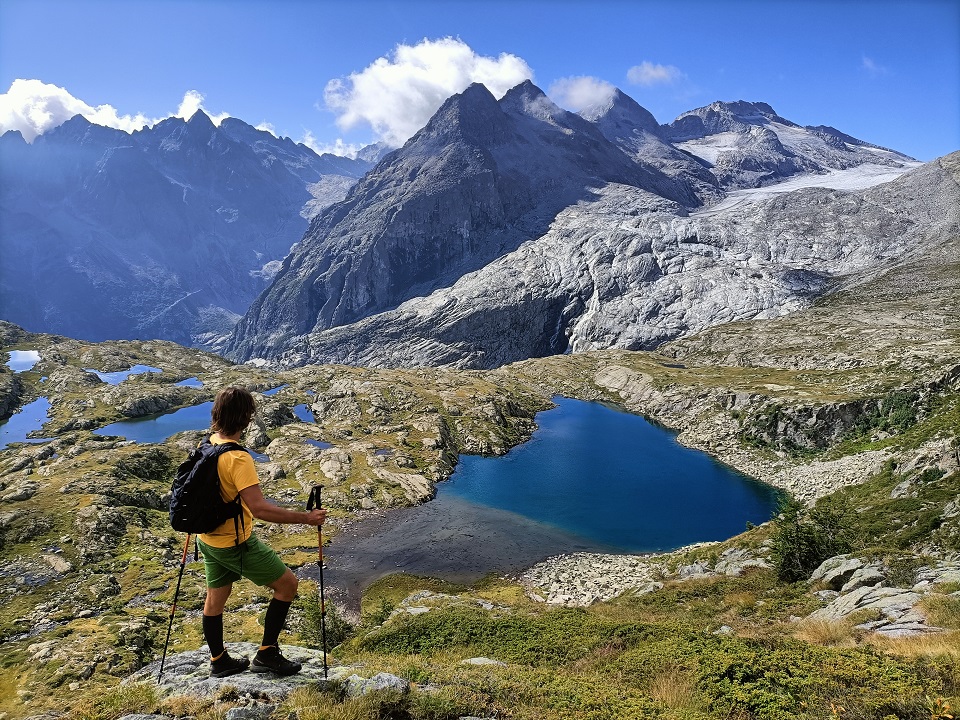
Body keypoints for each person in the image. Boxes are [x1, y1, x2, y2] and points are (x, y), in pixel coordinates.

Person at [196, 386, 326, 678]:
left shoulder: (208, 444)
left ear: (217, 413)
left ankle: (219, 660)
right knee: (288, 585)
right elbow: (260, 509)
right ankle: (267, 654)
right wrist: (307, 519)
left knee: (215, 598)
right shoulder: (237, 458)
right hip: (235, 543)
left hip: (208, 539)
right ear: (246, 417)